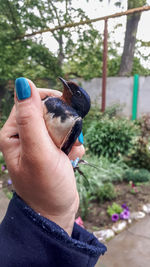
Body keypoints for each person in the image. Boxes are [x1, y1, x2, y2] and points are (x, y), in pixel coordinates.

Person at [0, 77, 107, 266]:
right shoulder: (50, 101)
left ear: (78, 102)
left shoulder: (75, 121)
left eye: (74, 93)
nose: (66, 89)